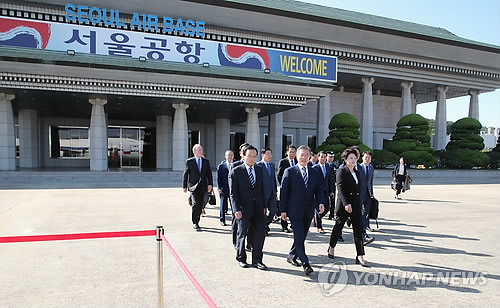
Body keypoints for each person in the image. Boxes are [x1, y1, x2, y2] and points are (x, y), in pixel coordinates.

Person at [280, 145, 325, 276]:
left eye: (306, 155)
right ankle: (306, 263)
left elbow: (319, 189)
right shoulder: (290, 171)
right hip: (294, 211)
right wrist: (282, 210)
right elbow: (283, 192)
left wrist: (321, 202)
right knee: (299, 236)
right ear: (297, 156)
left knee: (301, 237)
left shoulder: (314, 172)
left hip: (308, 210)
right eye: (301, 155)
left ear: (310, 157)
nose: (304, 157)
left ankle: (291, 255)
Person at [327, 148, 369, 267]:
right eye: (351, 158)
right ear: (345, 159)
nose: (353, 160)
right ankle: (331, 247)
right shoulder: (341, 171)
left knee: (358, 230)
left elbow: (359, 190)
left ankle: (360, 255)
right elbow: (340, 188)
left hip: (355, 205)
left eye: (355, 158)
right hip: (344, 205)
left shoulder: (358, 173)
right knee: (338, 227)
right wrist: (346, 204)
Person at [229, 145, 268, 270]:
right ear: (243, 156)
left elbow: (262, 189)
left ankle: (257, 260)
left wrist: (264, 206)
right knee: (242, 234)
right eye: (249, 156)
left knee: (259, 234)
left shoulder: (260, 169)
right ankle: (241, 258)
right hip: (243, 208)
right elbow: (233, 193)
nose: (252, 159)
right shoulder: (236, 171)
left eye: (254, 156)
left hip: (258, 208)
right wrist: (236, 209)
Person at [182, 144, 213, 231]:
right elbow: (186, 174)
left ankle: (198, 214)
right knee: (196, 203)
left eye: (201, 150)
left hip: (203, 186)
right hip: (193, 187)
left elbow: (209, 173)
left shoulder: (206, 161)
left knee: (202, 202)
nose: (201, 151)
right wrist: (184, 186)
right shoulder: (189, 161)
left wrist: (210, 184)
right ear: (194, 152)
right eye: (199, 150)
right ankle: (195, 222)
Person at [231, 143, 249, 248]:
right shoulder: (235, 166)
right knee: (236, 222)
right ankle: (235, 241)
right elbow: (232, 186)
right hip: (237, 198)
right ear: (241, 154)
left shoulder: (255, 166)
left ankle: (248, 243)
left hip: (249, 201)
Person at [256, 147, 278, 236]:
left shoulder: (272, 165)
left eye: (270, 154)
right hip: (262, 193)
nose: (269, 156)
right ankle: (263, 229)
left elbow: (273, 178)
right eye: (267, 154)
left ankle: (266, 224)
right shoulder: (258, 165)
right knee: (263, 212)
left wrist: (275, 190)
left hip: (272, 192)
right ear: (262, 155)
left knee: (274, 210)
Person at [312, 151, 335, 233]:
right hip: (317, 192)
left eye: (324, 157)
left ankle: (316, 218)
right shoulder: (314, 168)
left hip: (326, 191)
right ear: (318, 157)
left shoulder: (328, 167)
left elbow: (330, 180)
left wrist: (332, 191)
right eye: (321, 157)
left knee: (327, 208)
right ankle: (319, 226)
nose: (323, 158)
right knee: (319, 209)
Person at [277, 145, 297, 233]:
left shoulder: (297, 161)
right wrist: (284, 185)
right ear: (287, 152)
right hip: (286, 188)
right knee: (284, 206)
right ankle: (284, 226)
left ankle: (294, 224)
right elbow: (279, 175)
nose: (292, 154)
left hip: (296, 189)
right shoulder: (283, 162)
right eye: (290, 152)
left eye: (293, 152)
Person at [359, 151, 375, 245]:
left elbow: (371, 181)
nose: (367, 158)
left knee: (365, 214)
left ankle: (364, 232)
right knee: (359, 213)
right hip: (359, 194)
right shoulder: (359, 167)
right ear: (362, 157)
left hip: (367, 194)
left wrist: (372, 192)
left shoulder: (371, 168)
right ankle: (361, 233)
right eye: (365, 157)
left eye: (369, 157)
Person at [217, 150, 233, 226]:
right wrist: (219, 187)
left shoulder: (235, 165)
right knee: (223, 204)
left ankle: (235, 220)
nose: (230, 157)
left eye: (231, 155)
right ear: (225, 156)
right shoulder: (221, 166)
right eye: (228, 155)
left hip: (233, 188)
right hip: (224, 188)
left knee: (233, 204)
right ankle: (222, 219)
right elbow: (218, 178)